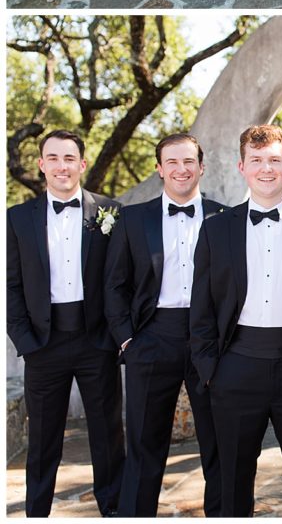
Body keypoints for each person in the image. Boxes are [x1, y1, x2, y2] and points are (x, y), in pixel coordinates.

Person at [189, 124, 282, 517]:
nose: (266, 169)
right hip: (235, 366)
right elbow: (202, 308)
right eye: (257, 160)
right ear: (241, 167)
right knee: (231, 480)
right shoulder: (216, 228)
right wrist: (210, 368)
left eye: (275, 160)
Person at [104, 133, 225, 517]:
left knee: (219, 443)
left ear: (201, 167)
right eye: (172, 162)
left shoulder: (226, 218)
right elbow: (114, 285)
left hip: (210, 340)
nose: (181, 169)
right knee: (144, 443)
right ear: (159, 169)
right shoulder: (132, 219)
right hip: (151, 336)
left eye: (188, 161)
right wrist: (127, 340)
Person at [7, 130, 124, 517]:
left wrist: (114, 336)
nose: (61, 166)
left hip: (96, 342)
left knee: (107, 436)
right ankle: (36, 513)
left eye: (69, 158)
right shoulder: (17, 218)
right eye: (53, 158)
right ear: (42, 165)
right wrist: (26, 342)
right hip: (43, 343)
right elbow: (10, 287)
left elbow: (121, 278)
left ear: (82, 164)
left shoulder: (110, 212)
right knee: (42, 441)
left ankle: (113, 509)